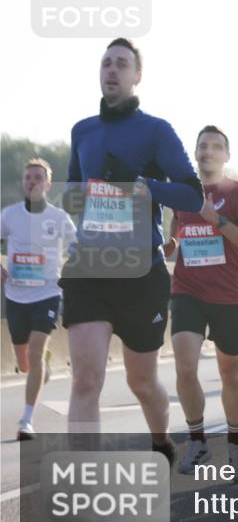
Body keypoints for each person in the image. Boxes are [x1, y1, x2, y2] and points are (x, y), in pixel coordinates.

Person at [59, 38, 204, 463]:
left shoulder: (156, 130)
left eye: (122, 64)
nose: (112, 70)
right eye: (106, 63)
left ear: (137, 76)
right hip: (90, 267)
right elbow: (73, 194)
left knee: (142, 382)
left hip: (141, 273)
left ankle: (161, 438)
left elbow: (192, 195)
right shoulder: (82, 131)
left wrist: (140, 184)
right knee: (86, 381)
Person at [162, 125, 238, 473]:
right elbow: (178, 227)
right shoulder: (183, 192)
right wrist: (171, 244)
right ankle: (198, 440)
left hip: (228, 294)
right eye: (202, 146)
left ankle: (235, 441)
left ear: (226, 155)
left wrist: (216, 219)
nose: (208, 152)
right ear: (195, 152)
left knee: (228, 372)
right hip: (187, 290)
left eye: (215, 147)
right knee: (185, 366)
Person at [1, 159, 76, 440]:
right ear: (23, 182)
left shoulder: (58, 218)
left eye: (38, 177)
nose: (32, 181)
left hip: (47, 294)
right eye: (28, 177)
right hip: (16, 294)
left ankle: (27, 420)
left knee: (33, 352)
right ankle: (40, 363)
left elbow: (76, 245)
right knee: (25, 363)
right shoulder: (9, 215)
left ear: (47, 183)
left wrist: (71, 269)